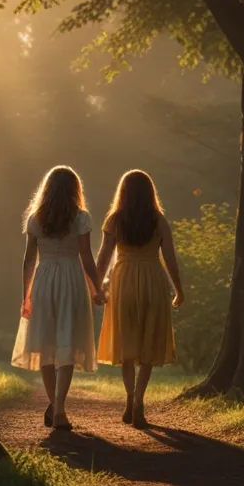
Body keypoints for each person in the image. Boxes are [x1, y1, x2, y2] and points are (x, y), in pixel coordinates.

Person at [11, 165, 104, 431]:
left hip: (44, 279)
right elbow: (86, 257)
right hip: (71, 279)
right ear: (75, 190)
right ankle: (59, 408)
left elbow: (29, 260)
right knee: (67, 343)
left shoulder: (36, 218)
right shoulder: (81, 217)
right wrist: (96, 288)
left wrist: (25, 296)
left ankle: (57, 408)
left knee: (46, 345)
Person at [96, 170, 185, 429]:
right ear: (150, 193)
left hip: (123, 281)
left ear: (122, 192)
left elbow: (103, 258)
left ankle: (128, 400)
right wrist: (179, 290)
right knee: (148, 345)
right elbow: (169, 259)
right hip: (152, 281)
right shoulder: (158, 220)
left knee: (126, 345)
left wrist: (96, 288)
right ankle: (139, 402)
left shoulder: (114, 220)